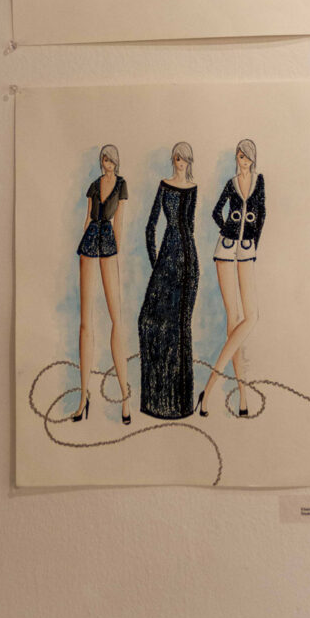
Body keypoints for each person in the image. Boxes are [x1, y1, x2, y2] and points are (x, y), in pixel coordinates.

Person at [196, 139, 266, 418]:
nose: (242, 159)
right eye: (239, 155)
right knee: (233, 319)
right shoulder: (231, 183)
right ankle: (243, 397)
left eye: (246, 156)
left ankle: (209, 387)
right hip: (225, 249)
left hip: (246, 249)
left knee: (251, 316)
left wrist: (253, 240)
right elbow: (216, 211)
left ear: (252, 159)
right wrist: (229, 227)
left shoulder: (259, 182)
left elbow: (262, 214)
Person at [138, 142, 199, 418]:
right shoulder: (163, 185)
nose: (179, 162)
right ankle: (155, 400)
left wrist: (183, 265)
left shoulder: (193, 188)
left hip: (187, 262)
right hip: (166, 259)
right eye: (176, 158)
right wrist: (156, 264)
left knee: (179, 329)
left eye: (184, 158)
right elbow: (150, 227)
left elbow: (190, 227)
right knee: (147, 322)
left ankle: (179, 404)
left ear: (189, 161)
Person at [73, 144, 131, 424]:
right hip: (89, 243)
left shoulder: (121, 184)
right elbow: (87, 218)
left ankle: (125, 395)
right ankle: (83, 397)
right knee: (85, 322)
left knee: (116, 319)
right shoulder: (94, 185)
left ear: (116, 162)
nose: (106, 163)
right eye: (104, 159)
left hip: (109, 244)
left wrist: (116, 252)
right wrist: (82, 246)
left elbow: (119, 223)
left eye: (110, 159)